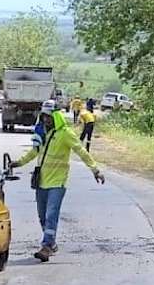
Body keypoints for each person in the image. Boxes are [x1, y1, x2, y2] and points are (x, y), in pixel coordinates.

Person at [13, 100, 106, 262]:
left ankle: (47, 246)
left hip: (58, 182)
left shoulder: (66, 134)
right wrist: (18, 163)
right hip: (42, 181)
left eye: (48, 117)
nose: (45, 120)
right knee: (42, 216)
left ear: (56, 116)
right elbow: (33, 153)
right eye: (43, 117)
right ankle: (52, 242)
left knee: (51, 214)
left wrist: (95, 170)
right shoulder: (42, 134)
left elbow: (81, 151)